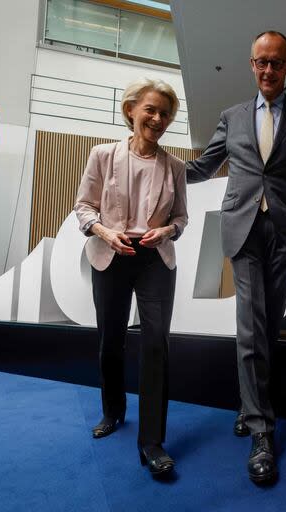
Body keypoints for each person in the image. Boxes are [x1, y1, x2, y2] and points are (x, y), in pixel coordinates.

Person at [186, 31, 286, 484]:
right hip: (242, 232)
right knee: (250, 323)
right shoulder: (231, 117)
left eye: (277, 63)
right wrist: (158, 166)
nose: (268, 70)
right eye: (261, 62)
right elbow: (204, 167)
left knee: (268, 327)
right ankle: (261, 433)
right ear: (251, 65)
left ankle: (249, 405)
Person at [74, 78, 188, 478]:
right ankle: (113, 411)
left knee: (156, 344)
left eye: (165, 114)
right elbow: (84, 208)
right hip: (111, 253)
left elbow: (181, 218)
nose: (157, 119)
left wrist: (168, 231)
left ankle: (152, 443)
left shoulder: (175, 167)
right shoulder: (102, 155)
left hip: (154, 257)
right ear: (131, 111)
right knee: (111, 341)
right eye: (150, 111)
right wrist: (105, 232)